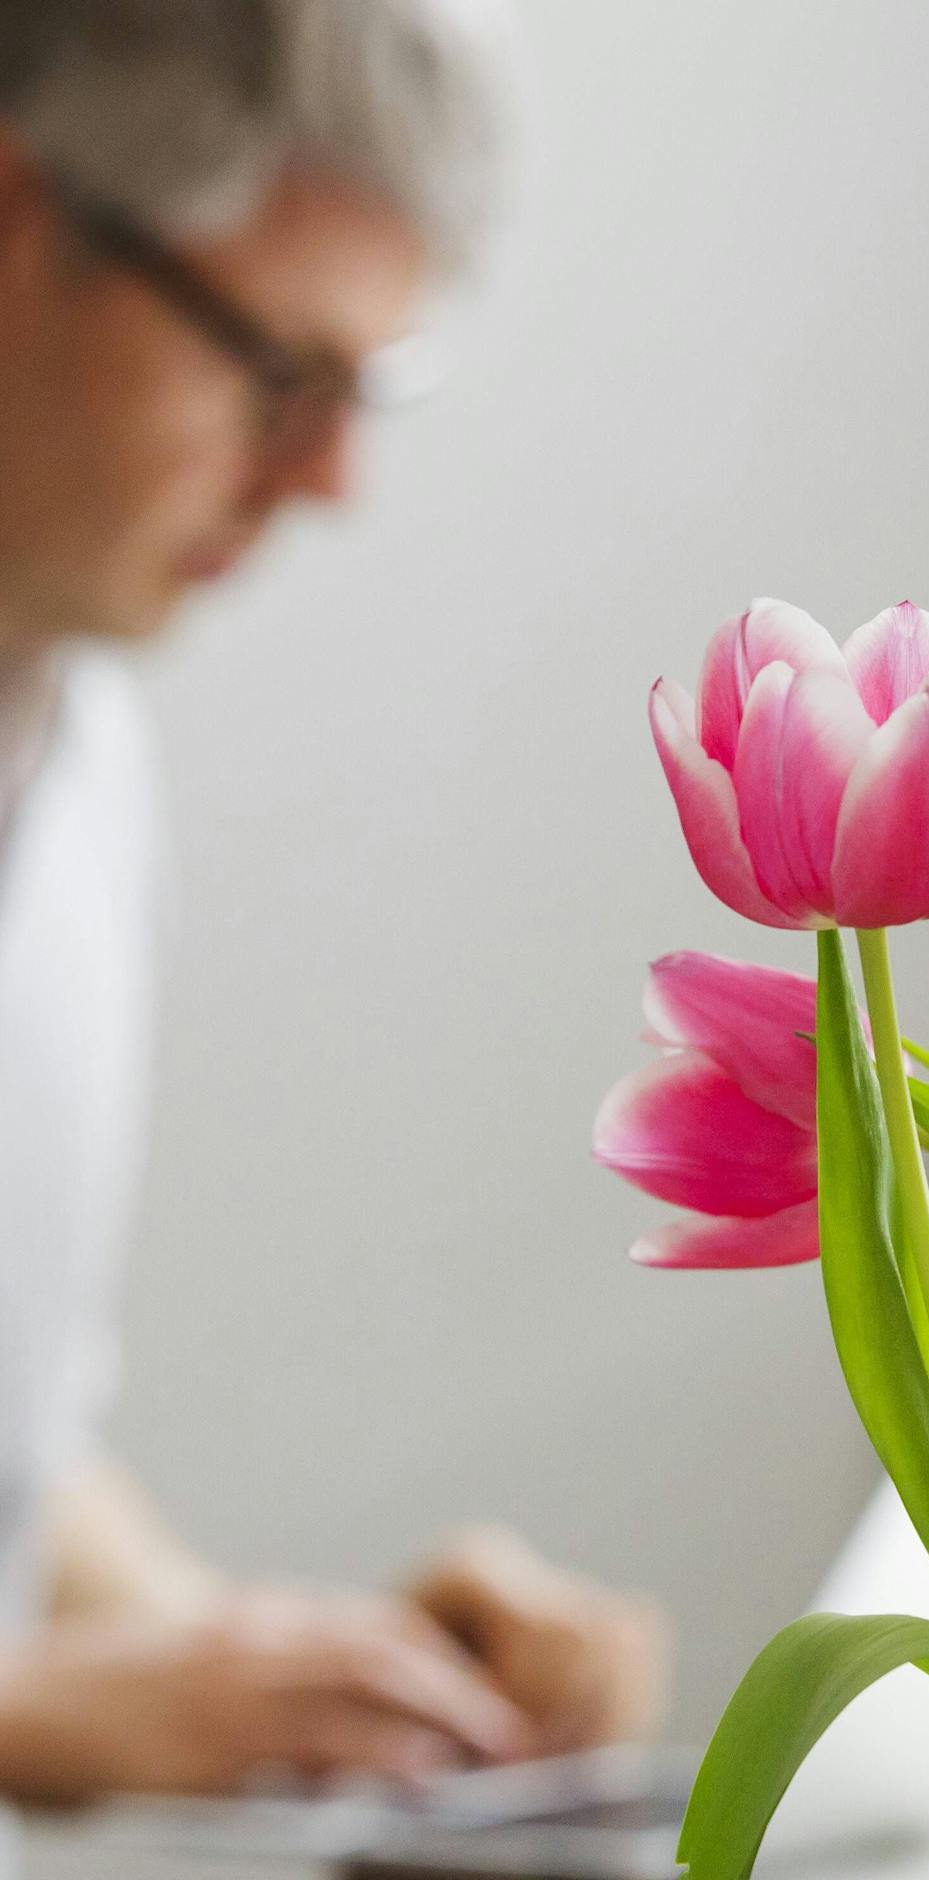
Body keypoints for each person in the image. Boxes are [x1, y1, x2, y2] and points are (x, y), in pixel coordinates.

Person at [0, 0, 663, 1815]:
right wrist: (44, 1717)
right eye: (274, 372)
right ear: (15, 219)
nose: (330, 480)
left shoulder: (77, 755)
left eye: (367, 392)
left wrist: (321, 1683)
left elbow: (16, 1477)